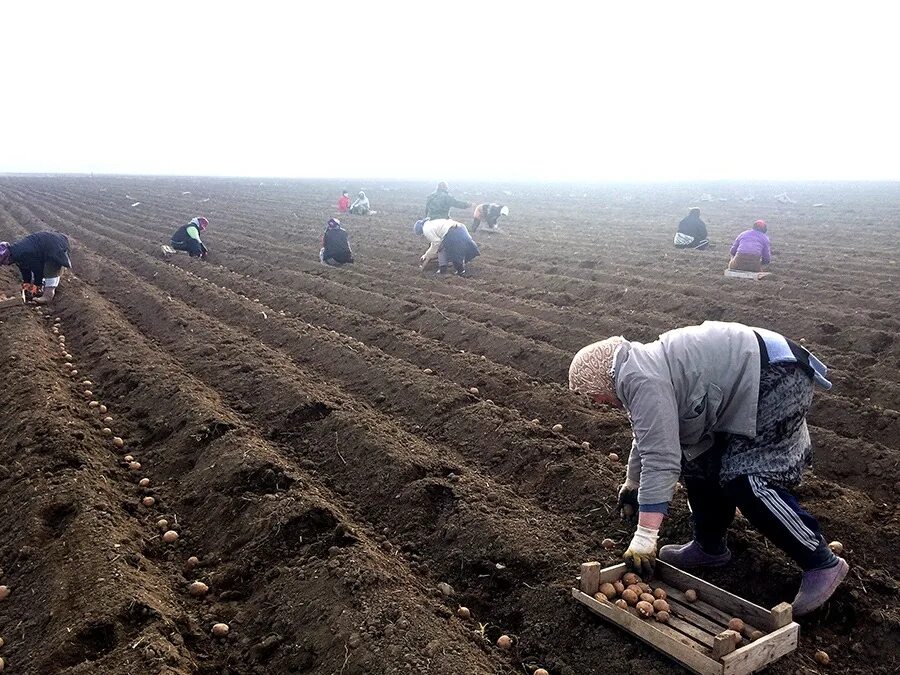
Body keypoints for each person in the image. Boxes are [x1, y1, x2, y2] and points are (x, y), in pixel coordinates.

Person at [568, 321, 848, 617]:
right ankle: (709, 546)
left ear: (598, 379)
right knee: (699, 462)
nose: (598, 403)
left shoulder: (639, 377)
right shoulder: (632, 369)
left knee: (747, 481)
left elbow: (661, 457)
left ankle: (820, 561)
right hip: (752, 378)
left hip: (776, 377)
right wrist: (633, 483)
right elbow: (648, 433)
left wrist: (645, 537)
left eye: (592, 395)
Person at [0, 231, 72, 304]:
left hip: (55, 246)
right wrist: (27, 282)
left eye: (3, 262)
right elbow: (24, 267)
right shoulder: (15, 252)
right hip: (45, 246)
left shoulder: (23, 252)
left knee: (50, 270)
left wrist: (37, 284)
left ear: (6, 257)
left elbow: (37, 269)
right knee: (41, 272)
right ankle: (42, 286)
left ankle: (48, 296)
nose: (5, 264)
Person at [415, 218, 479, 276]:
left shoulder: (426, 229)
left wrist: (428, 255)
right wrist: (426, 254)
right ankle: (461, 263)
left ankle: (460, 271)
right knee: (467, 245)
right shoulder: (430, 223)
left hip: (453, 231)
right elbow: (436, 242)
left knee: (454, 252)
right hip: (460, 227)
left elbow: (436, 243)